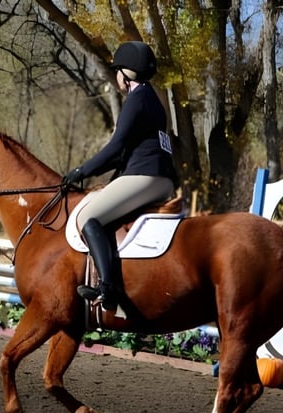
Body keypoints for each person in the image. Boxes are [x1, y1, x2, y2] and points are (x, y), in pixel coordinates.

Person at [62, 41, 177, 311]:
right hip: (161, 178)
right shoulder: (153, 100)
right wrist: (90, 172)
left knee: (89, 219)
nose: (116, 77)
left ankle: (108, 289)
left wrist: (81, 171)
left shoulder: (136, 100)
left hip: (144, 177)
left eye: (117, 72)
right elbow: (121, 154)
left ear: (126, 74)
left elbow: (115, 147)